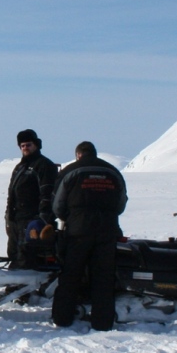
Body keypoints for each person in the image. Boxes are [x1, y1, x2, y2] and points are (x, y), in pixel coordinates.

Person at [50, 141, 127, 332]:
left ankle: (62, 318)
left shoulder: (70, 171)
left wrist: (68, 217)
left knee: (70, 274)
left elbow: (58, 204)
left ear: (78, 155)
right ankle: (102, 322)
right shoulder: (113, 172)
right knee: (104, 277)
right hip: (107, 230)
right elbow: (121, 203)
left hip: (78, 231)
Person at [5, 129, 58, 269]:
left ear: (36, 145)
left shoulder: (44, 165)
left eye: (28, 145)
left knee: (26, 257)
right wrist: (8, 219)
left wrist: (43, 219)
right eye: (22, 146)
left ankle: (25, 288)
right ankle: (15, 285)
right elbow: (11, 195)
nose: (25, 148)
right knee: (14, 255)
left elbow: (47, 194)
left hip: (31, 220)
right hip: (16, 219)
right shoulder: (20, 167)